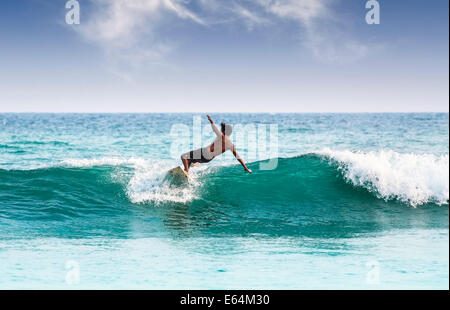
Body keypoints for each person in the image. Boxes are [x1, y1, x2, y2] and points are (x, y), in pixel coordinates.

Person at [181, 115, 252, 175]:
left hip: (204, 152)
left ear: (223, 131)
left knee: (184, 156)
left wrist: (211, 121)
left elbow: (214, 129)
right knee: (190, 160)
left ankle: (186, 171)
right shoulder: (231, 145)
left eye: (221, 129)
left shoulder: (222, 136)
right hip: (208, 159)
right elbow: (238, 157)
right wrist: (246, 168)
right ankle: (188, 171)